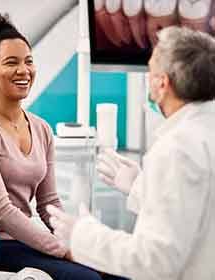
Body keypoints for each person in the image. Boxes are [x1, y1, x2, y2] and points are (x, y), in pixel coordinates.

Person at [0, 13, 127, 280]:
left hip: (25, 239)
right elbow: (1, 211)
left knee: (119, 272)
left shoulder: (41, 128)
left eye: (29, 61)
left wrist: (78, 238)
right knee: (87, 279)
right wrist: (62, 249)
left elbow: (48, 202)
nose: (24, 71)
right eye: (11, 62)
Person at [47, 26, 215, 279]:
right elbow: (199, 213)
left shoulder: (176, 148)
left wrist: (81, 235)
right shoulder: (204, 131)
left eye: (150, 69)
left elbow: (155, 260)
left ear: (162, 83)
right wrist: (141, 186)